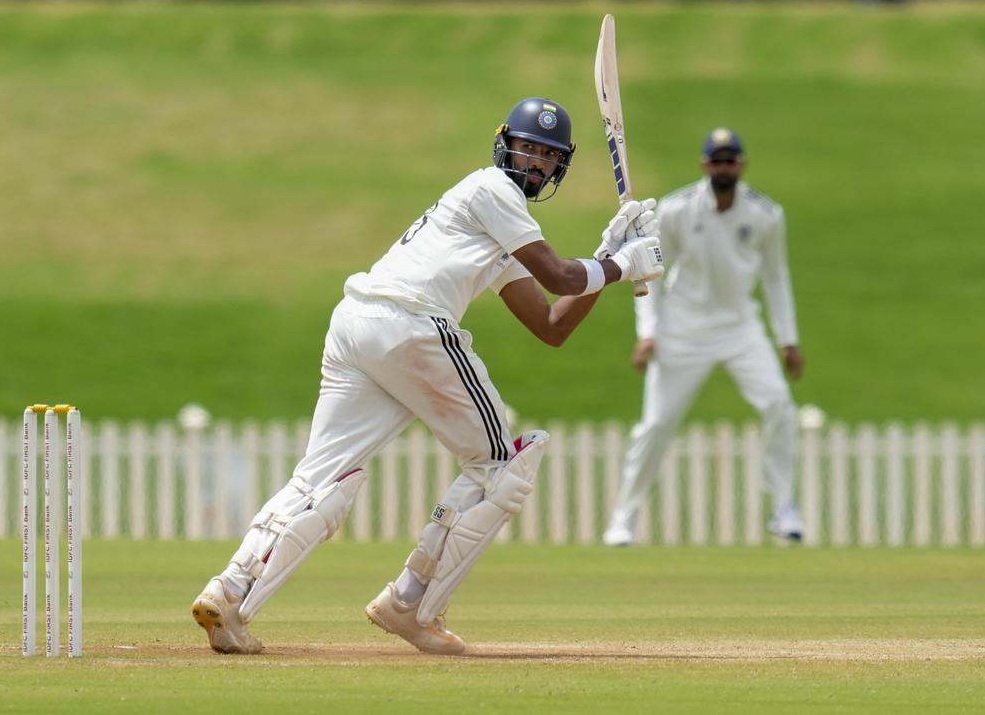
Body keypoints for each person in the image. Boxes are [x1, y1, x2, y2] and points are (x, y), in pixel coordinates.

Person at [192, 97, 664, 655]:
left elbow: (550, 324)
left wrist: (608, 255)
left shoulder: (500, 222)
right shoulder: (493, 188)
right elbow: (561, 276)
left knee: (322, 480)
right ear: (505, 145)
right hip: (410, 326)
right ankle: (411, 603)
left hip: (357, 328)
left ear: (560, 165)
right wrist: (624, 263)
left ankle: (230, 592)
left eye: (548, 156)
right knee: (502, 465)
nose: (536, 163)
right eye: (527, 148)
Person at [602, 127, 806, 547]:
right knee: (657, 424)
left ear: (741, 165)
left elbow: (776, 277)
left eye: (730, 160)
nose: (723, 167)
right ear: (704, 165)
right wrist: (648, 333)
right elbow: (652, 273)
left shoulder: (766, 214)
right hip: (683, 328)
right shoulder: (677, 209)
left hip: (740, 326)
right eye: (717, 161)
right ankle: (624, 518)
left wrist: (787, 339)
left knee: (779, 404)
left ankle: (784, 505)